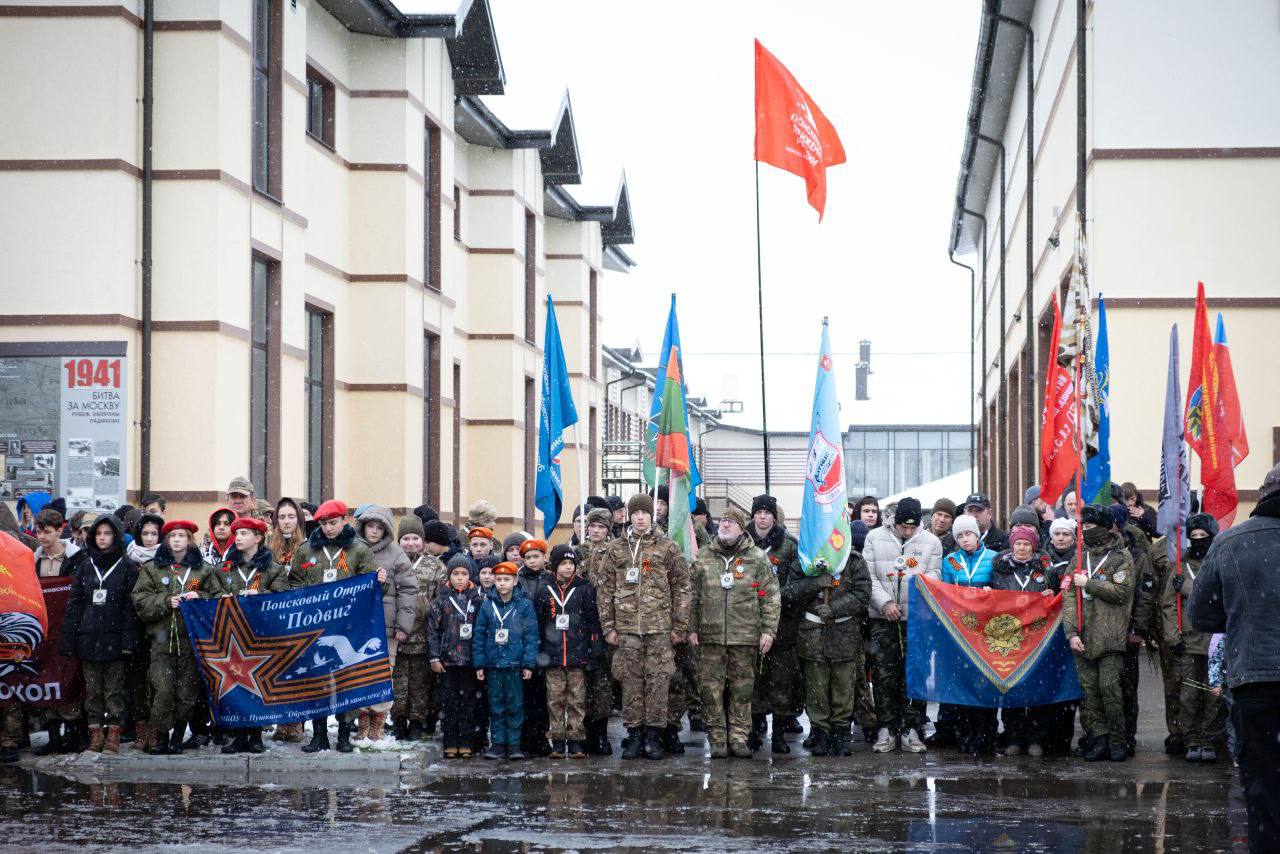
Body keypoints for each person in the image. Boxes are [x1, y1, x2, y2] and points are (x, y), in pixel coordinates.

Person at [1190, 463, 1280, 851]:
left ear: (1262, 494)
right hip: (1253, 676)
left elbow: (1202, 615)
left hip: (1254, 682)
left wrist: (1243, 613)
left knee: (1262, 792)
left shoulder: (1231, 542)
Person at [597, 493, 691, 761]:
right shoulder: (616, 549)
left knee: (658, 682)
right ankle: (635, 734)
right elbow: (605, 589)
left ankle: (654, 735)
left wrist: (679, 626)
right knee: (631, 682)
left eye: (644, 513)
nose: (639, 517)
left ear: (652, 516)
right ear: (629, 515)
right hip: (626, 630)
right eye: (635, 513)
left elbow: (682, 587)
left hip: (659, 630)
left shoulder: (667, 548)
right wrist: (608, 627)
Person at [290, 500, 383, 753]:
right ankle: (318, 734)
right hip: (315, 627)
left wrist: (379, 582)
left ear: (344, 520)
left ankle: (344, 733)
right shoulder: (307, 550)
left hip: (347, 626)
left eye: (333, 523)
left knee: (346, 681)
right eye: (323, 523)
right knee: (316, 679)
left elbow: (371, 588)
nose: (329, 528)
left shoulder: (359, 550)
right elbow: (295, 582)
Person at [687, 507, 779, 758]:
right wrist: (691, 628)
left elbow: (770, 597)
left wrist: (768, 631)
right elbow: (692, 596)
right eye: (722, 521)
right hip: (710, 636)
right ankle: (717, 738)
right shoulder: (703, 556)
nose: (724, 526)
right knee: (709, 690)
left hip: (745, 636)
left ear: (741, 527)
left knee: (743, 690)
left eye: (730, 522)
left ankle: (738, 738)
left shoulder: (757, 558)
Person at [132, 519, 219, 754]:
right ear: (167, 540)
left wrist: (199, 596)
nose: (177, 540)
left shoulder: (203, 570)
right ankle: (160, 737)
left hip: (191, 643)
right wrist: (164, 602)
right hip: (161, 642)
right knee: (162, 690)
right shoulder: (153, 568)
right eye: (172, 536)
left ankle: (178, 737)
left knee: (186, 692)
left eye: (182, 535)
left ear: (190, 539)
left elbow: (218, 599)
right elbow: (140, 600)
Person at [863, 497, 941, 754]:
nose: (907, 532)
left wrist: (913, 586)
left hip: (916, 620)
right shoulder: (874, 537)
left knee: (915, 674)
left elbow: (934, 576)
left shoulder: (931, 542)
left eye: (912, 527)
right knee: (885, 675)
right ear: (894, 522)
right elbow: (869, 576)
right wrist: (884, 602)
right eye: (903, 527)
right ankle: (886, 727)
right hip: (883, 618)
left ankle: (912, 728)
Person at [787, 525, 872, 757]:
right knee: (816, 686)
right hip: (812, 633)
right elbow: (789, 592)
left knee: (844, 686)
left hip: (844, 632)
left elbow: (863, 595)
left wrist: (834, 607)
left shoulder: (853, 561)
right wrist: (816, 583)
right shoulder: (806, 561)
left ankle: (841, 733)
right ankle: (820, 731)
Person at [59, 514, 139, 755]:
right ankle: (96, 734)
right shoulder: (85, 565)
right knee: (92, 691)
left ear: (115, 536)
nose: (102, 538)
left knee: (114, 690)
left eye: (107, 533)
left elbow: (130, 609)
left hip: (114, 639)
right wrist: (68, 639)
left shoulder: (127, 567)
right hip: (88, 638)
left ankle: (114, 733)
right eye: (98, 534)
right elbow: (74, 604)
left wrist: (128, 641)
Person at [1062, 504, 1136, 762]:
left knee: (1110, 689)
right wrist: (1071, 632)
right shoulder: (1080, 557)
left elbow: (1122, 592)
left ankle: (1118, 739)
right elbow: (1069, 595)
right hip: (1083, 634)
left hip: (1110, 635)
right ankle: (1099, 738)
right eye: (1083, 527)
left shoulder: (1121, 557)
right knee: (1089, 692)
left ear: (1105, 527)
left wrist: (1090, 584)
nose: (1086, 531)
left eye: (1091, 527)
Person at [215, 516, 288, 754]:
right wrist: (221, 599)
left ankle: (255, 734)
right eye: (236, 534)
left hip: (259, 635)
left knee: (257, 684)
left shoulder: (273, 568)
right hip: (232, 637)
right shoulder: (224, 568)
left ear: (258, 538)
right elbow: (211, 592)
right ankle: (237, 734)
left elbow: (283, 597)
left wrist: (260, 593)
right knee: (235, 684)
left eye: (244, 534)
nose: (238, 538)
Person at [1159, 513, 1223, 763]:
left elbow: (1221, 599)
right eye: (1193, 537)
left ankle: (1209, 738)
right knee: (1188, 696)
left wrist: (1187, 589)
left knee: (1214, 695)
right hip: (1187, 642)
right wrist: (1172, 637)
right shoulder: (1178, 567)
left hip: (1215, 642)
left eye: (1203, 537)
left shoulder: (1220, 565)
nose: (1198, 541)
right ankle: (1192, 738)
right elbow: (1167, 605)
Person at [990, 526, 1059, 758]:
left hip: (1038, 637)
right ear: (1012, 545)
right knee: (1012, 688)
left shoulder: (1045, 569)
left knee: (1038, 688)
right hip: (1010, 638)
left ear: (1033, 547)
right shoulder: (1000, 568)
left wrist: (1051, 594)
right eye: (1018, 543)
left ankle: (1036, 739)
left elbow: (1057, 595)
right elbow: (993, 600)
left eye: (1026, 544)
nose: (1021, 548)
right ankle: (1014, 738)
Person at [352, 505, 417, 743]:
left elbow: (409, 590)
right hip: (358, 625)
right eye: (370, 526)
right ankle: (362, 722)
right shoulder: (352, 550)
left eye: (380, 528)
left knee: (383, 673)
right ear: (363, 526)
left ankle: (377, 722)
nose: (374, 531)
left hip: (385, 626)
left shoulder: (396, 554)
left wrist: (403, 626)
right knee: (359, 674)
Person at [746, 494, 804, 754]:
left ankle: (779, 733)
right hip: (747, 621)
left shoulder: (789, 546)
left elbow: (798, 582)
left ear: (774, 516)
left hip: (782, 624)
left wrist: (775, 598)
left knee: (781, 679)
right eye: (758, 512)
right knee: (753, 677)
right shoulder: (742, 543)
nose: (762, 516)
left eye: (767, 512)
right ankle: (754, 727)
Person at [534, 544, 602, 758]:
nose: (567, 567)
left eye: (571, 563)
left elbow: (593, 623)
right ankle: (556, 741)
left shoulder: (584, 589)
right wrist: (538, 653)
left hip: (577, 656)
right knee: (554, 701)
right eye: (563, 563)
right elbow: (538, 623)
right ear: (554, 567)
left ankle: (576, 741)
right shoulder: (544, 589)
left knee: (576, 700)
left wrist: (594, 651)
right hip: (552, 657)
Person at [942, 513, 998, 755]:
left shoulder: (994, 558)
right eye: (960, 535)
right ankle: (966, 733)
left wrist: (991, 592)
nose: (965, 539)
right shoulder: (952, 561)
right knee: (964, 684)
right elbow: (943, 591)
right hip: (961, 631)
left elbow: (1004, 589)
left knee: (986, 682)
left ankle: (987, 734)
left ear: (978, 534)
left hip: (986, 631)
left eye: (969, 534)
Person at [473, 562, 539, 760]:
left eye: (506, 579)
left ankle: (514, 744)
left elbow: (531, 636)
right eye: (499, 579)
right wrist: (480, 663)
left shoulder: (524, 605)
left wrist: (528, 664)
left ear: (515, 580)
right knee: (496, 705)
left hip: (515, 665)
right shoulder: (487, 604)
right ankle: (498, 743)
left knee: (515, 705)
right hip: (494, 665)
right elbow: (479, 636)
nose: (502, 583)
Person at [391, 514, 444, 741]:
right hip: (396, 636)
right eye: (405, 538)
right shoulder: (392, 561)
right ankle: (398, 720)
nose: (410, 543)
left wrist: (423, 606)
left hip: (423, 636)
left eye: (415, 538)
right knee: (398, 682)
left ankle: (417, 721)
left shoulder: (435, 566)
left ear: (422, 540)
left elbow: (441, 600)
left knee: (420, 684)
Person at [428, 558, 481, 757]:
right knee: (449, 703)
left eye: (464, 574)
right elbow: (433, 631)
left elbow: (481, 631)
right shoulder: (441, 600)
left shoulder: (477, 600)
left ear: (470, 576)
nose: (460, 578)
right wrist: (434, 658)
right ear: (449, 576)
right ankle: (450, 741)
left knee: (468, 702)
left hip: (470, 661)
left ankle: (466, 742)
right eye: (456, 574)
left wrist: (480, 660)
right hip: (447, 661)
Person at [579, 507, 618, 755]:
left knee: (603, 682)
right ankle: (583, 734)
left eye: (601, 527)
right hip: (581, 625)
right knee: (581, 682)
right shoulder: (576, 552)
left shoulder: (616, 552)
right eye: (592, 526)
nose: (596, 531)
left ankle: (601, 734)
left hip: (606, 623)